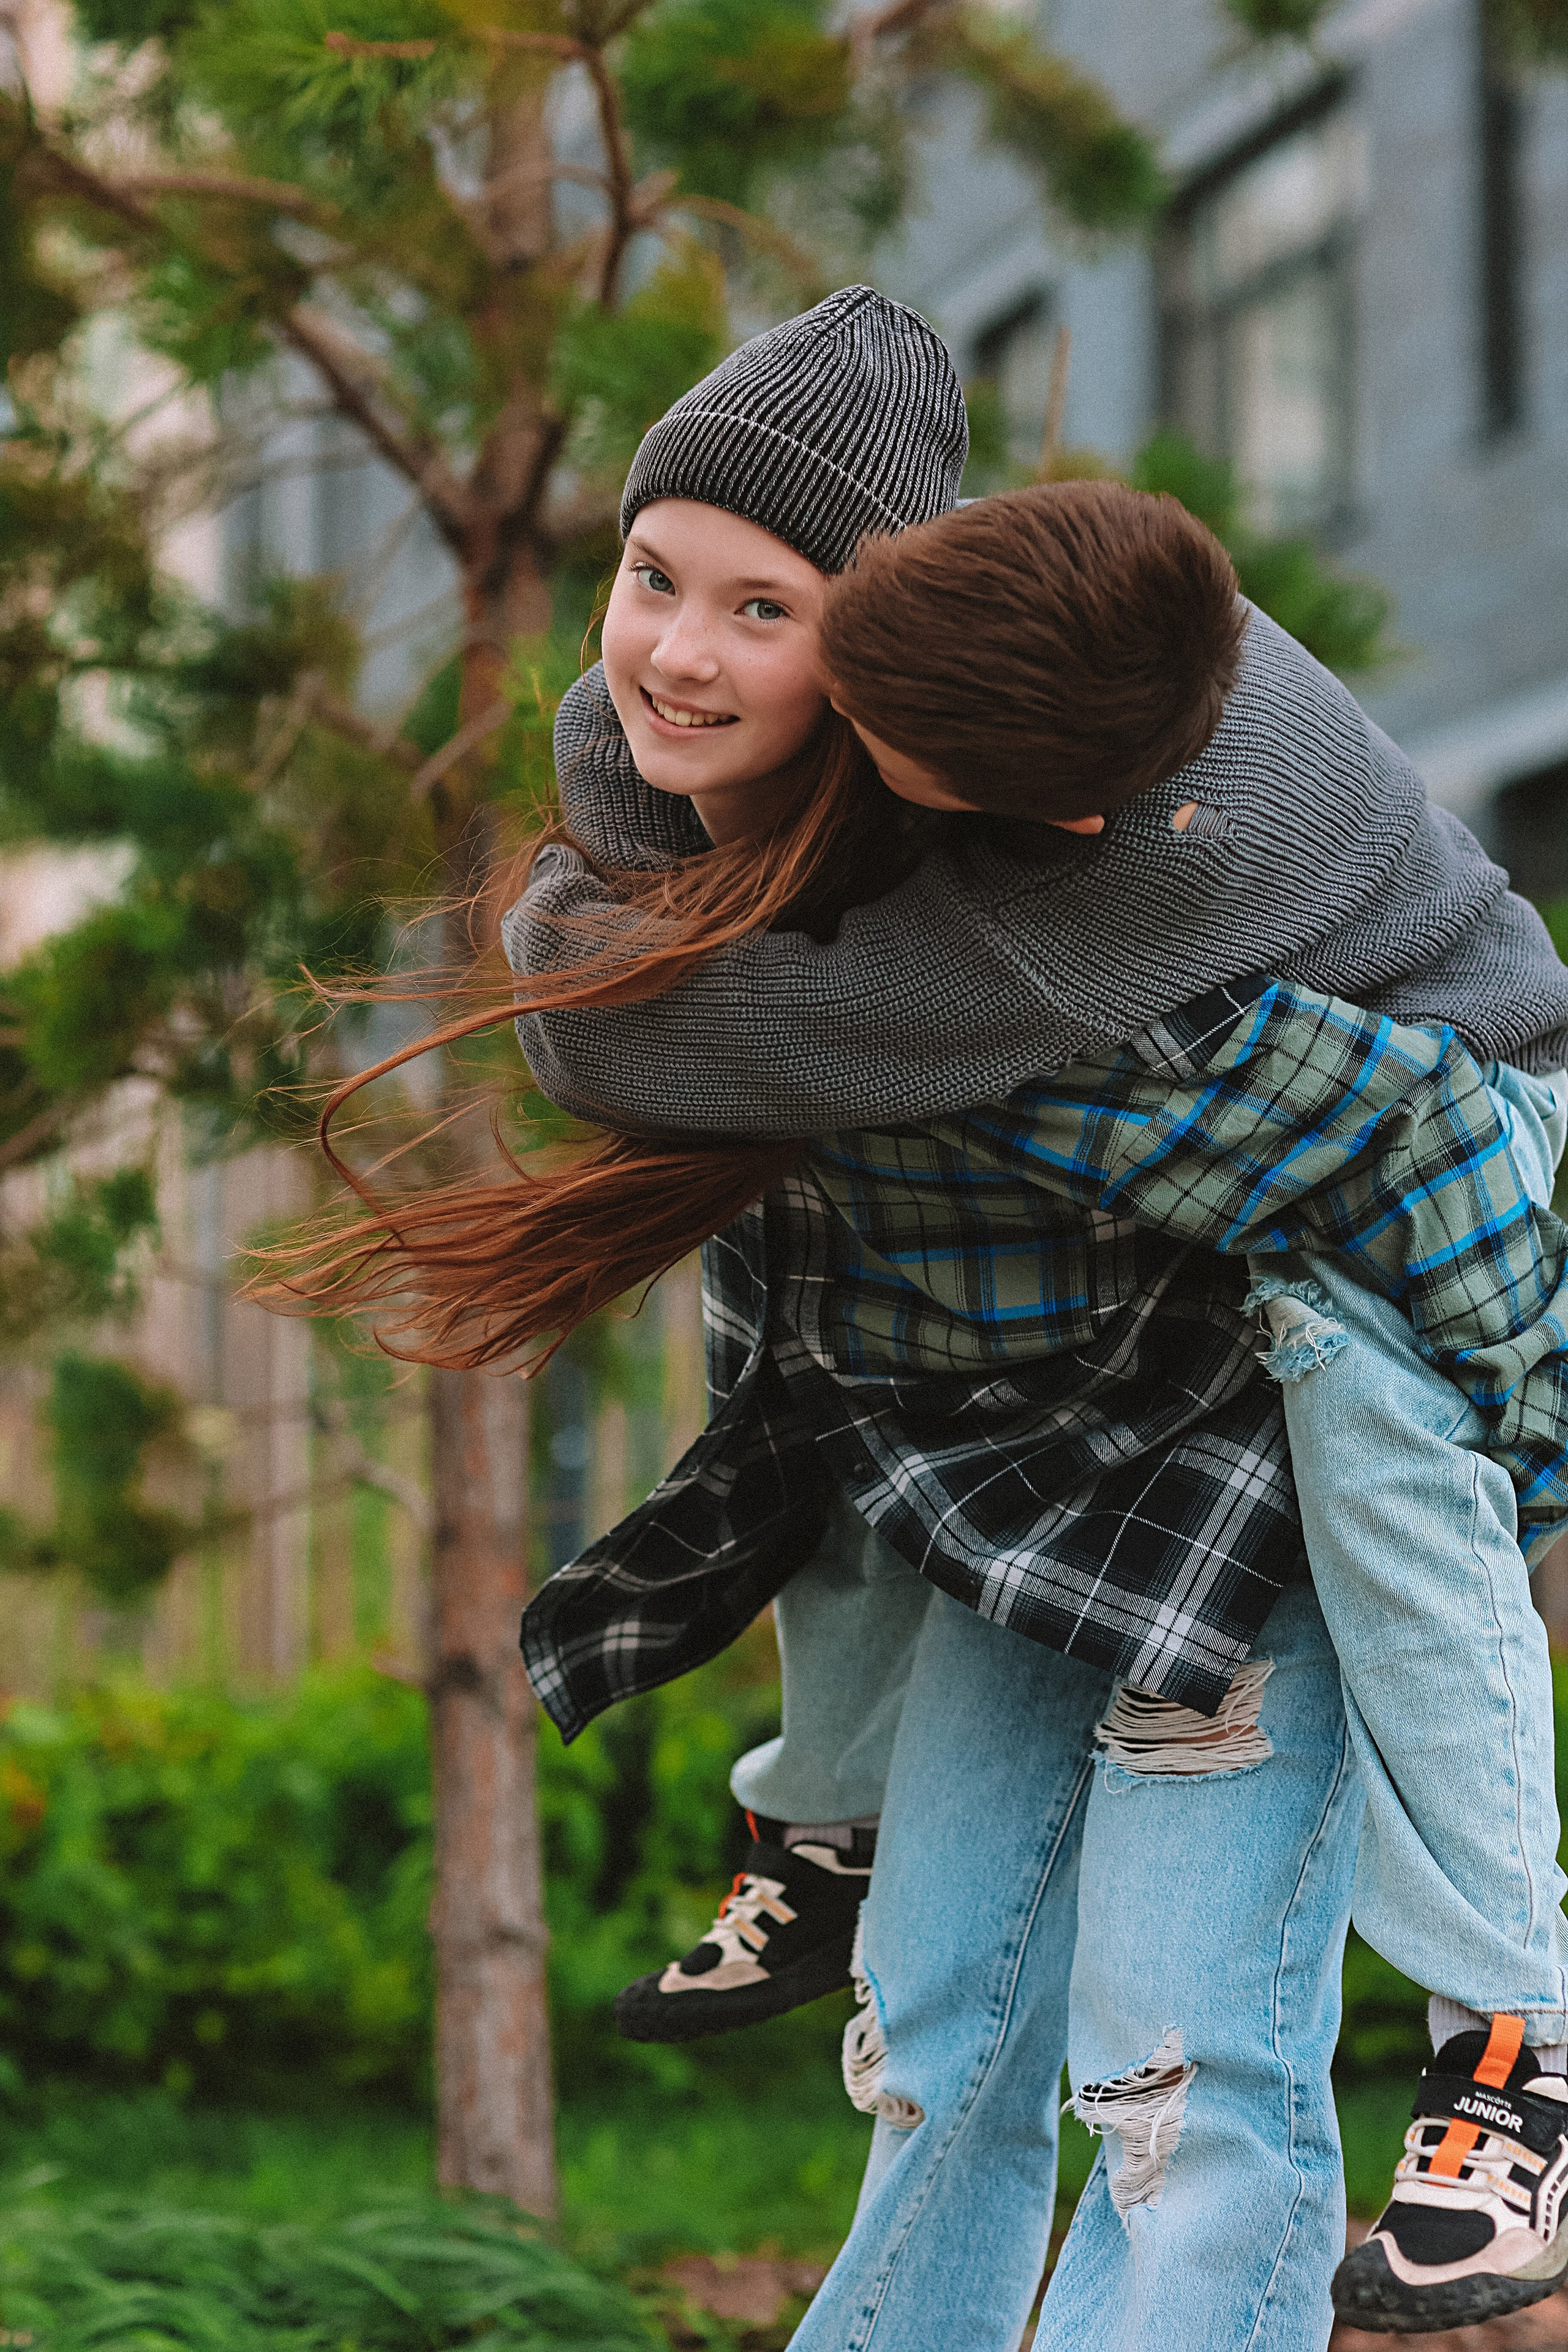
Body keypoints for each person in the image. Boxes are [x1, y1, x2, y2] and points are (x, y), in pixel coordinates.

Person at [265, 291, 1568, 2340]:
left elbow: (648, 1043)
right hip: (1035, 1439)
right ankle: (830, 1838)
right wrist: (610, 901)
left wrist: (606, 952)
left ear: (880, 640)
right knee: (944, 2027)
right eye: (648, 578)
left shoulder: (1092, 859)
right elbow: (613, 848)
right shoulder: (903, 719)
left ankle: (1516, 2053)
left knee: (1180, 2078)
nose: (676, 655)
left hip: (1312, 1348)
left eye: (760, 611)